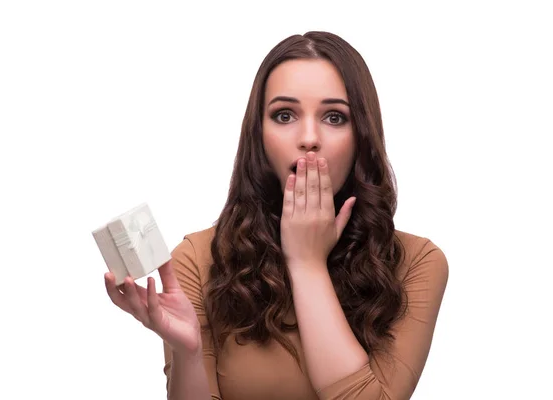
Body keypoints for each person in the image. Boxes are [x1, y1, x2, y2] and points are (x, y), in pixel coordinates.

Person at [104, 30, 449, 400]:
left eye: (334, 117)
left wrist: (307, 263)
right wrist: (187, 356)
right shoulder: (198, 259)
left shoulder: (416, 262)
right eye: (284, 115)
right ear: (259, 135)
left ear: (363, 133)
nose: (309, 138)